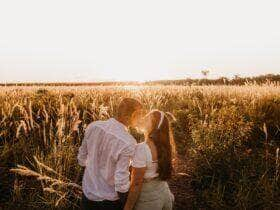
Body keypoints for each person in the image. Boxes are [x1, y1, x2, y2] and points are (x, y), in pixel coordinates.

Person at [77, 98, 143, 210]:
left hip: (88, 194)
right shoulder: (128, 142)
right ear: (131, 117)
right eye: (139, 115)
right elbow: (121, 183)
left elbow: (82, 159)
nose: (141, 118)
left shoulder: (93, 126)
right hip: (109, 201)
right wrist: (128, 205)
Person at [124, 110, 175, 210]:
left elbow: (136, 183)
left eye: (147, 118)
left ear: (153, 126)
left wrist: (128, 207)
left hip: (148, 200)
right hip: (164, 193)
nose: (143, 119)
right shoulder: (165, 145)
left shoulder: (142, 149)